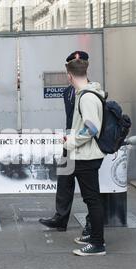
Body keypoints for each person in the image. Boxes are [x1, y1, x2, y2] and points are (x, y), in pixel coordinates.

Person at [39, 51, 92, 237]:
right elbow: (71, 119)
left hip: (85, 145)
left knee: (89, 189)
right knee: (64, 181)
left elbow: (91, 124)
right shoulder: (67, 91)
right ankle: (60, 219)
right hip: (69, 142)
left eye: (79, 63)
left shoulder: (90, 90)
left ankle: (91, 223)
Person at [61, 55, 106, 256]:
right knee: (92, 199)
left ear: (70, 76)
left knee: (92, 200)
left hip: (86, 156)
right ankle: (94, 237)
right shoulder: (86, 93)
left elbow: (91, 128)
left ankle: (97, 244)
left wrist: (71, 141)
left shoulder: (86, 97)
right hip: (86, 154)